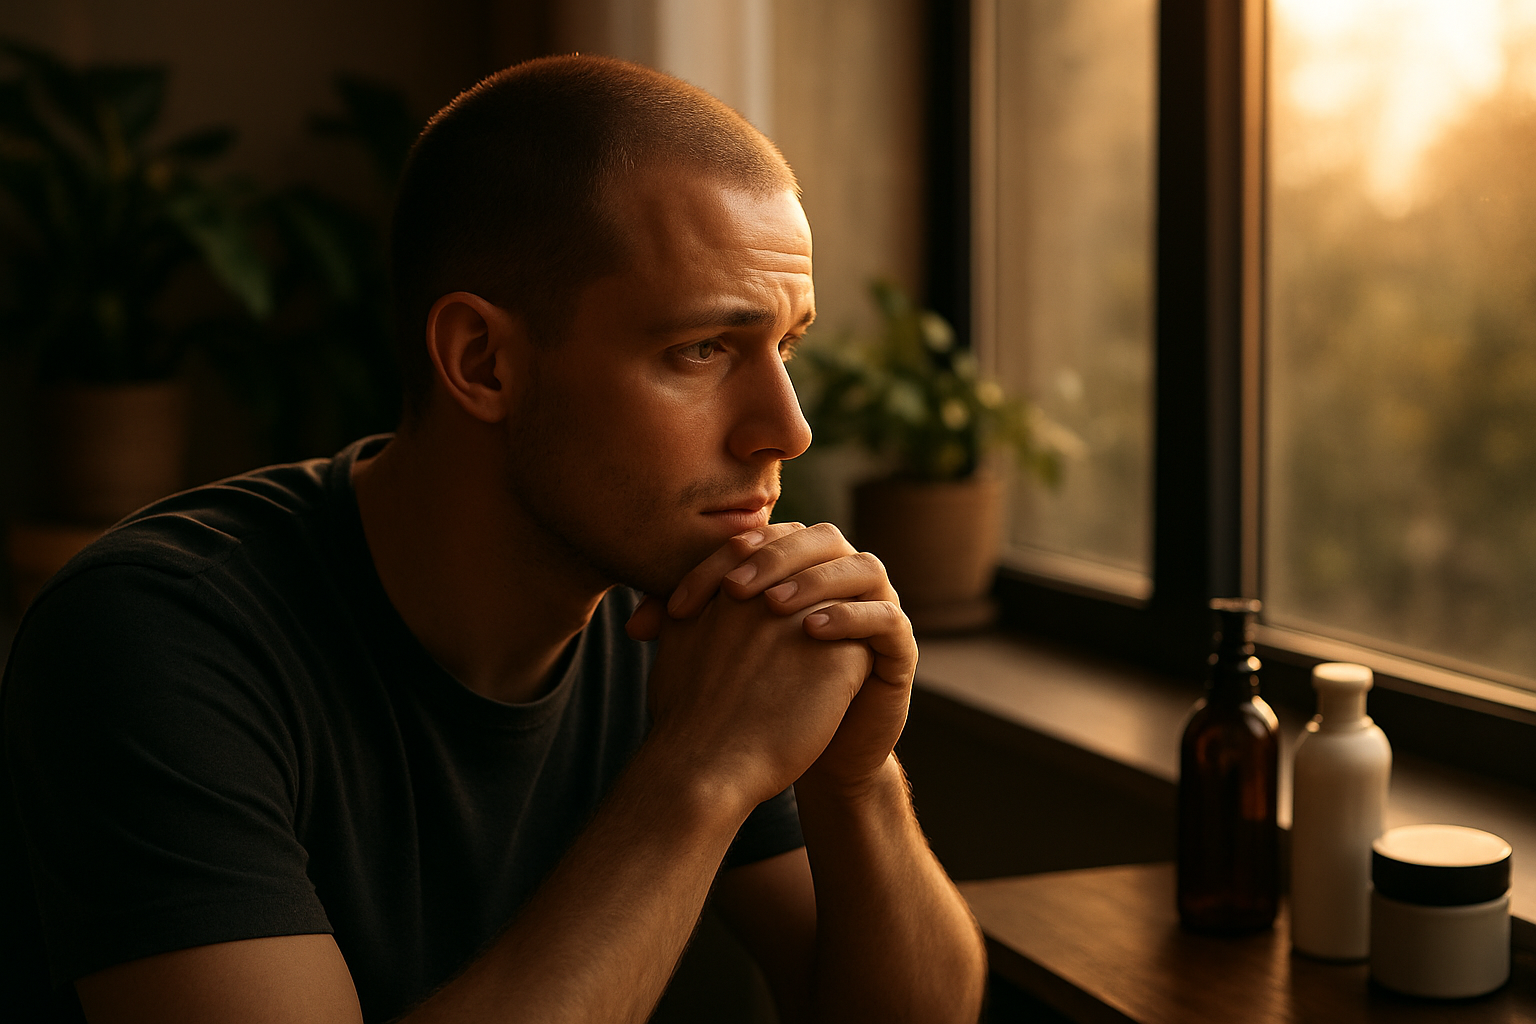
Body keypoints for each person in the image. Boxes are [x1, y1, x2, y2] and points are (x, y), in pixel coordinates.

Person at [1, 54, 987, 1023]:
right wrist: (699, 772)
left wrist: (855, 778)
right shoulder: (156, 637)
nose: (789, 426)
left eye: (787, 345)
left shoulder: (688, 611)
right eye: (701, 349)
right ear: (483, 361)